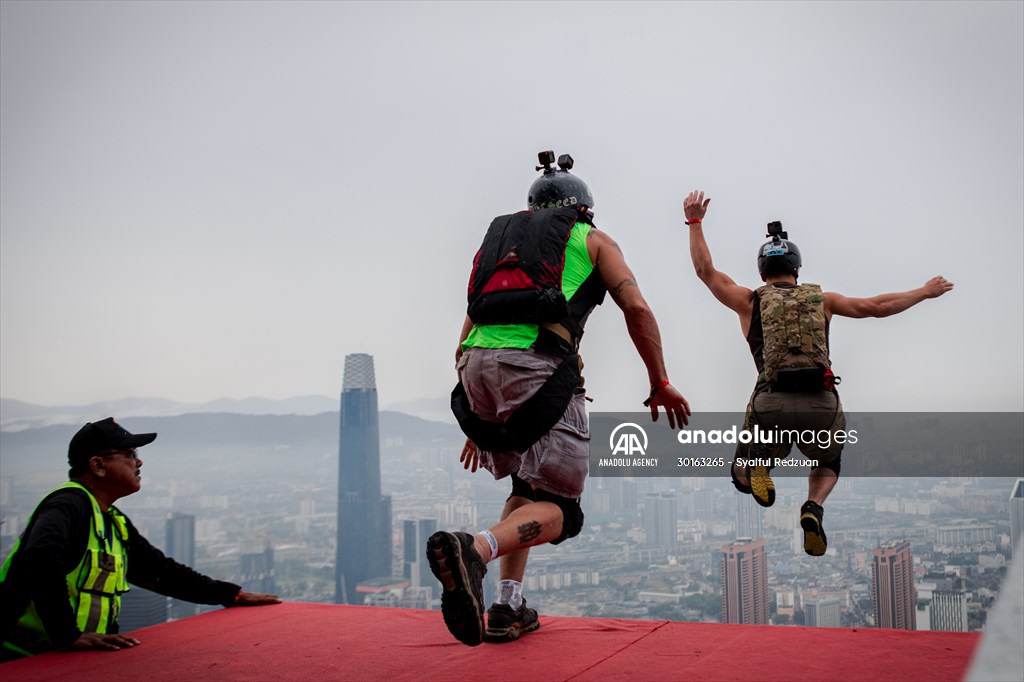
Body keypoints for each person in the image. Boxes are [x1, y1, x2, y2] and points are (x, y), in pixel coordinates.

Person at [431, 151, 691, 646]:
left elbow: (469, 333)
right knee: (560, 511)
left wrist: (481, 417)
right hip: (540, 371)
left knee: (526, 488)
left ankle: (508, 606)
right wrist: (659, 379)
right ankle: (477, 549)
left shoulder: (498, 248)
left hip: (474, 369)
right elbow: (635, 305)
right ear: (584, 208)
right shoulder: (592, 239)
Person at [683, 189, 953, 556]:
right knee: (828, 460)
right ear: (797, 269)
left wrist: (695, 222)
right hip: (821, 405)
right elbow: (877, 307)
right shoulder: (823, 300)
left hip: (771, 402)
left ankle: (757, 467)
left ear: (761, 272)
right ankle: (813, 507)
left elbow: (705, 272)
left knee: (745, 468)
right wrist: (924, 291)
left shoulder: (748, 301)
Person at [0, 417, 280, 661]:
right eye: (129, 453)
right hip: (18, 657)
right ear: (98, 465)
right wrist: (66, 634)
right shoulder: (69, 503)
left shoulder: (112, 521)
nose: (139, 461)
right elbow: (38, 557)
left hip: (63, 660)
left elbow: (160, 572)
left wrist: (229, 594)